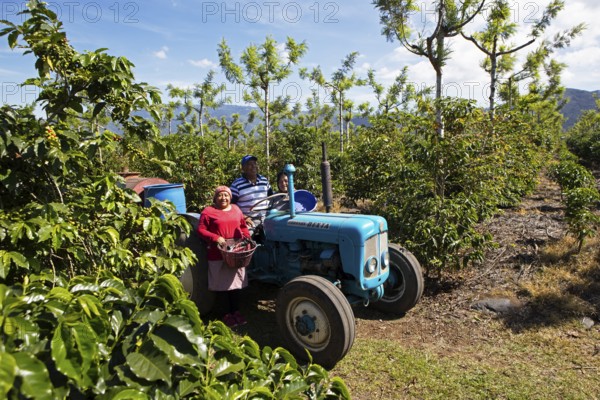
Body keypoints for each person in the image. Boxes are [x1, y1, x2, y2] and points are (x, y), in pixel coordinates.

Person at [197, 185, 251, 327]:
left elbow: (243, 226)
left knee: (235, 284)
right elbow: (201, 230)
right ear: (215, 198)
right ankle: (225, 314)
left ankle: (236, 311)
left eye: (226, 195)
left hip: (235, 252)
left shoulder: (236, 209)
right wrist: (215, 238)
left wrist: (247, 238)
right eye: (220, 195)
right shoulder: (208, 212)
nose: (223, 198)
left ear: (230, 197)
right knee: (222, 285)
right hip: (218, 253)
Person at [230, 155, 273, 234]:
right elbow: (231, 206)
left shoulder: (264, 180)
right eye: (249, 164)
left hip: (265, 218)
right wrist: (244, 217)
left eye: (254, 163)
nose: (253, 166)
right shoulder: (237, 184)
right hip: (248, 219)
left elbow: (272, 198)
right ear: (243, 168)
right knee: (247, 237)